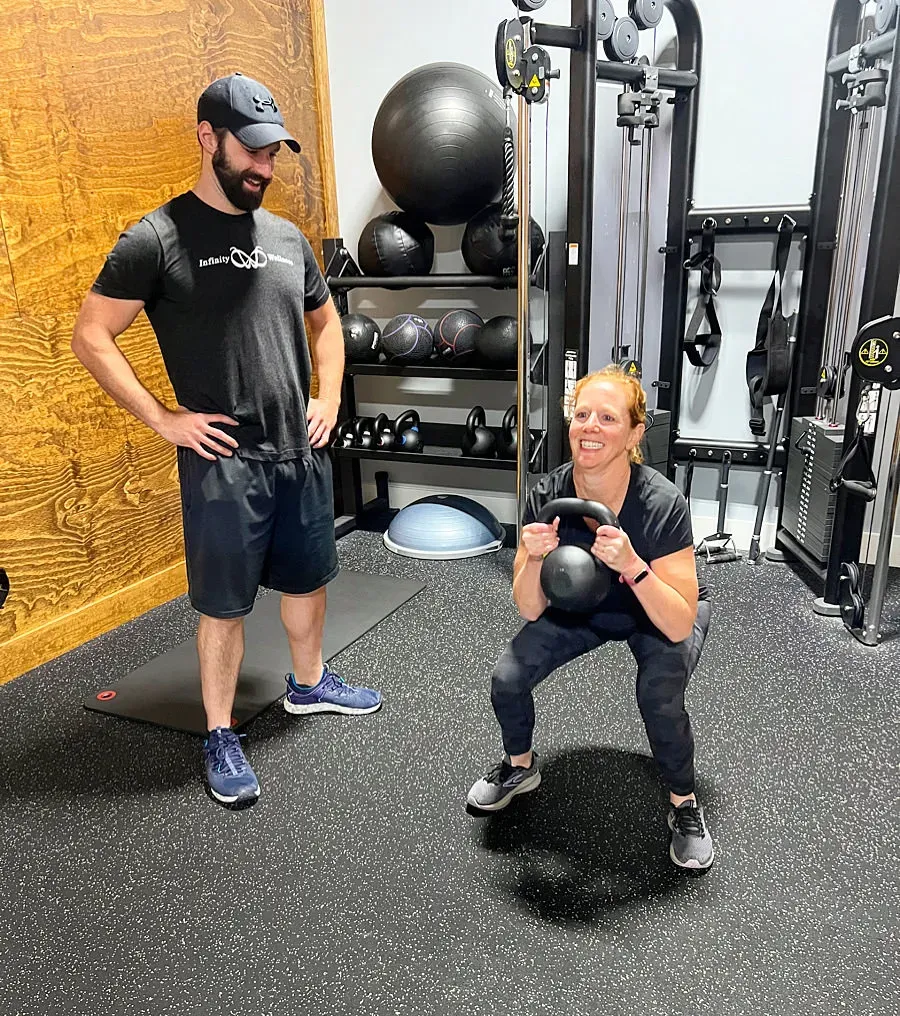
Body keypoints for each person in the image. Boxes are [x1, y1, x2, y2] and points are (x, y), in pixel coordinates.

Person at [71, 73, 381, 809]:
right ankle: (219, 732)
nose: (265, 168)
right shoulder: (156, 239)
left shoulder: (287, 239)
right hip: (224, 462)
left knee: (308, 580)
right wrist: (163, 418)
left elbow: (326, 325)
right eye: (252, 152)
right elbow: (91, 335)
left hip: (298, 450)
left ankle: (310, 684)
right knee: (223, 606)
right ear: (207, 137)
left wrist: (328, 396)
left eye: (273, 154)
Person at [466, 366, 715, 871]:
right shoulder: (546, 494)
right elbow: (529, 607)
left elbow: (678, 623)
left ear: (635, 434)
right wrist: (534, 558)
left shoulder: (662, 503)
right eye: (582, 415)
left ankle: (684, 802)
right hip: (583, 607)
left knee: (659, 696)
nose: (590, 427)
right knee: (508, 677)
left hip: (655, 606)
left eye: (608, 418)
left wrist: (632, 565)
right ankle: (520, 768)